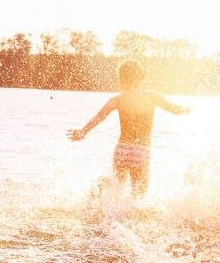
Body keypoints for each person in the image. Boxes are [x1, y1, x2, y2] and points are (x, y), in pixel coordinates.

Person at [67, 59, 189, 196]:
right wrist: (187, 109)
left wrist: (83, 131)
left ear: (121, 79)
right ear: (141, 76)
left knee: (116, 188)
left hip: (122, 149)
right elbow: (175, 110)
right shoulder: (152, 96)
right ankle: (127, 213)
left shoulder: (117, 99)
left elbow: (100, 116)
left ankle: (100, 189)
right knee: (139, 193)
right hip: (141, 150)